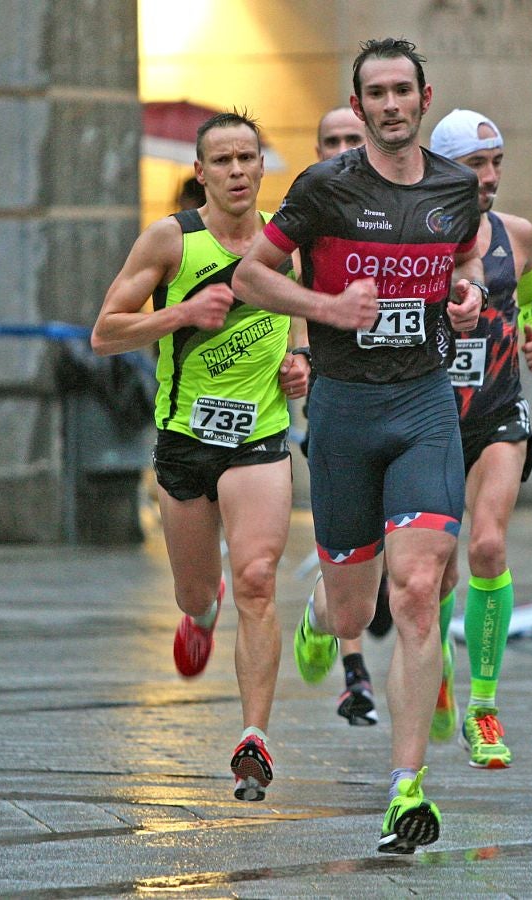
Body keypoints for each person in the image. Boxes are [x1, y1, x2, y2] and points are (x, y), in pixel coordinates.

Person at [233, 37, 484, 854]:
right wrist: (327, 308)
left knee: (415, 593)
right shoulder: (324, 189)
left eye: (400, 91)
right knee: (354, 605)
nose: (387, 105)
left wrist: (463, 298)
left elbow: (464, 260)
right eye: (372, 92)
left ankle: (405, 787)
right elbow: (249, 278)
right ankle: (319, 617)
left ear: (422, 96)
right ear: (360, 100)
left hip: (421, 406)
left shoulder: (454, 187)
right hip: (342, 411)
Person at [91, 111, 310, 804]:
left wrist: (300, 359)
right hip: (185, 441)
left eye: (248, 157)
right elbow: (104, 333)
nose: (238, 171)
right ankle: (198, 612)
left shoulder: (285, 239)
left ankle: (254, 738)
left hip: (258, 440)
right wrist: (179, 315)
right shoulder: (171, 241)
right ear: (201, 172)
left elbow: (299, 309)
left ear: (261, 166)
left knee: (256, 579)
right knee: (199, 590)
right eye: (223, 160)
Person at [427, 108, 532, 768]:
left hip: (499, 413)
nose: (490, 176)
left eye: (497, 162)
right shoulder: (414, 237)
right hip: (428, 420)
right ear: (443, 167)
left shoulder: (518, 234)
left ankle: (483, 706)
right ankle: (437, 675)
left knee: (486, 542)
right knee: (437, 567)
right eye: (476, 163)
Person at [298, 105, 386, 729]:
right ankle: (354, 674)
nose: (340, 148)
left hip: (403, 393)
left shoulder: (401, 201)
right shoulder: (309, 205)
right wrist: (299, 350)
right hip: (331, 387)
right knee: (348, 534)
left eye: (351, 139)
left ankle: (338, 616)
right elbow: (277, 284)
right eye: (330, 140)